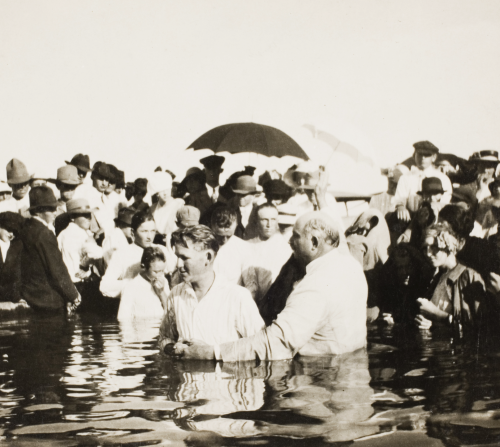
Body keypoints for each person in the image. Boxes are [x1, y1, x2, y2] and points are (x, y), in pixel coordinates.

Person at [179, 211, 368, 361]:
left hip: (320, 382)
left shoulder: (315, 285)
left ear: (314, 242)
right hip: (352, 369)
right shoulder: (350, 265)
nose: (289, 241)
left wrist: (210, 353)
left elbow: (275, 345)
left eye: (295, 236)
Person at [158, 225, 264, 356]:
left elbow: (261, 346)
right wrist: (172, 348)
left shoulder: (237, 297)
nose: (179, 265)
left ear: (208, 257)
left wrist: (212, 352)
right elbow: (164, 338)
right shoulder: (176, 294)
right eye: (177, 257)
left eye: (185, 258)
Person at [18, 186, 81, 313]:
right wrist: (74, 295)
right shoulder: (44, 234)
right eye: (51, 209)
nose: (55, 212)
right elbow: (57, 270)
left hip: (30, 297)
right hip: (49, 301)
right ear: (38, 211)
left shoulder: (24, 229)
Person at [415, 223, 487, 333]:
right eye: (425, 248)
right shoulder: (437, 276)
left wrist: (435, 313)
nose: (428, 253)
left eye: (434, 247)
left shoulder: (468, 276)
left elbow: (478, 331)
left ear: (448, 245)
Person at [100, 210, 176, 298]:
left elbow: (173, 273)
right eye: (144, 231)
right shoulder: (122, 253)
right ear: (133, 232)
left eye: (152, 231)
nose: (149, 236)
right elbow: (105, 286)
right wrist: (135, 284)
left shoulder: (161, 249)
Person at [393, 141, 453, 222]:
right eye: (420, 154)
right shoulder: (405, 177)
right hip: (410, 218)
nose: (423, 158)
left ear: (434, 157)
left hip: (435, 218)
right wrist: (401, 207)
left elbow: (444, 203)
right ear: (414, 155)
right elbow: (400, 199)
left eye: (427, 155)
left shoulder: (443, 178)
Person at [247, 203, 292, 304]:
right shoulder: (248, 245)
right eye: (264, 220)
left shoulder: (285, 247)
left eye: (273, 219)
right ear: (257, 222)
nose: (269, 224)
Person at [210, 206, 259, 300]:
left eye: (228, 236)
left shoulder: (243, 247)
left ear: (236, 225)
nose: (224, 240)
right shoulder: (202, 246)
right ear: (212, 226)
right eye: (219, 236)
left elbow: (251, 284)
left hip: (234, 302)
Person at [57, 198, 103, 286]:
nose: (88, 219)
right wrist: (84, 265)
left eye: (89, 215)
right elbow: (98, 253)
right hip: (78, 282)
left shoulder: (63, 233)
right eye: (84, 215)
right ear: (72, 218)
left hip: (65, 282)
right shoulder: (79, 233)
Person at [117, 246, 169, 320]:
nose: (160, 275)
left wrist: (161, 292)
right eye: (156, 272)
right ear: (143, 266)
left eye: (162, 271)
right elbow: (123, 319)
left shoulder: (164, 282)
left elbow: (171, 311)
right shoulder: (130, 287)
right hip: (143, 330)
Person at [148, 171, 184, 242]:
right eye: (161, 190)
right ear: (157, 192)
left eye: (167, 189)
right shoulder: (153, 208)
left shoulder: (179, 205)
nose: (165, 193)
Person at [0, 212, 26, 308]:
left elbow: (18, 276)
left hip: (13, 297)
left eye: (15, 232)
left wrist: (17, 297)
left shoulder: (17, 246)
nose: (11, 234)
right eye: (9, 230)